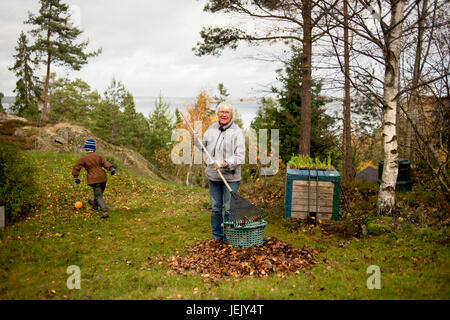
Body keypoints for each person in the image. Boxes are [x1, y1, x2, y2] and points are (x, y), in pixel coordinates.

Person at [196, 101, 245, 242]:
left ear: (231, 115)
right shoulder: (211, 129)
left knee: (229, 209)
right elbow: (203, 146)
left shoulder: (237, 132)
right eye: (221, 112)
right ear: (218, 113)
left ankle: (229, 237)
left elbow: (240, 156)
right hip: (214, 177)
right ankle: (217, 236)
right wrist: (197, 140)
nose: (223, 114)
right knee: (216, 208)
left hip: (231, 178)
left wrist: (223, 163)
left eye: (227, 112)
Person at [72, 139, 116, 219]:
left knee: (99, 196)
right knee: (99, 194)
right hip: (103, 178)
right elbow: (105, 163)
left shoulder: (83, 158)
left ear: (86, 149)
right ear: (94, 149)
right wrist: (111, 168)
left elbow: (76, 167)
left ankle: (104, 211)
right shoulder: (99, 156)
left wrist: (76, 177)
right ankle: (95, 205)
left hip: (94, 179)